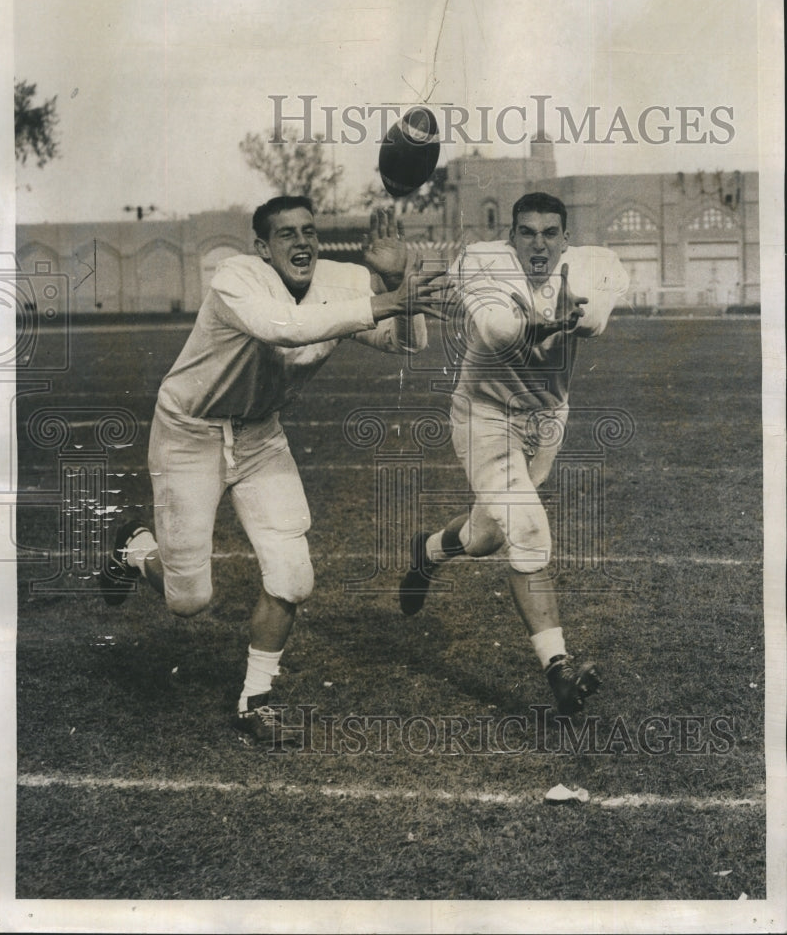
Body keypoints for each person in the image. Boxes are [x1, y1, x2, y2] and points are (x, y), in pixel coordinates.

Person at [99, 197, 448, 742]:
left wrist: (398, 286)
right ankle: (134, 548)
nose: (301, 242)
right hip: (190, 433)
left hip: (260, 434)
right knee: (187, 600)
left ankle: (255, 699)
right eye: (285, 235)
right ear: (262, 248)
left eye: (309, 231)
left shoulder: (345, 280)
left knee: (293, 575)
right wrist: (384, 301)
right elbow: (284, 327)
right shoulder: (235, 277)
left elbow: (406, 345)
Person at [398, 191, 629, 715]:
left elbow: (595, 321)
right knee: (527, 530)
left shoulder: (594, 264)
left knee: (487, 536)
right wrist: (551, 324)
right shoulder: (484, 262)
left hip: (547, 417)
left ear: (566, 239)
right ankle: (559, 669)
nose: (539, 243)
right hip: (486, 415)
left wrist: (576, 316)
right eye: (528, 232)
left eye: (551, 233)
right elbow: (496, 330)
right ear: (511, 238)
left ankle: (428, 551)